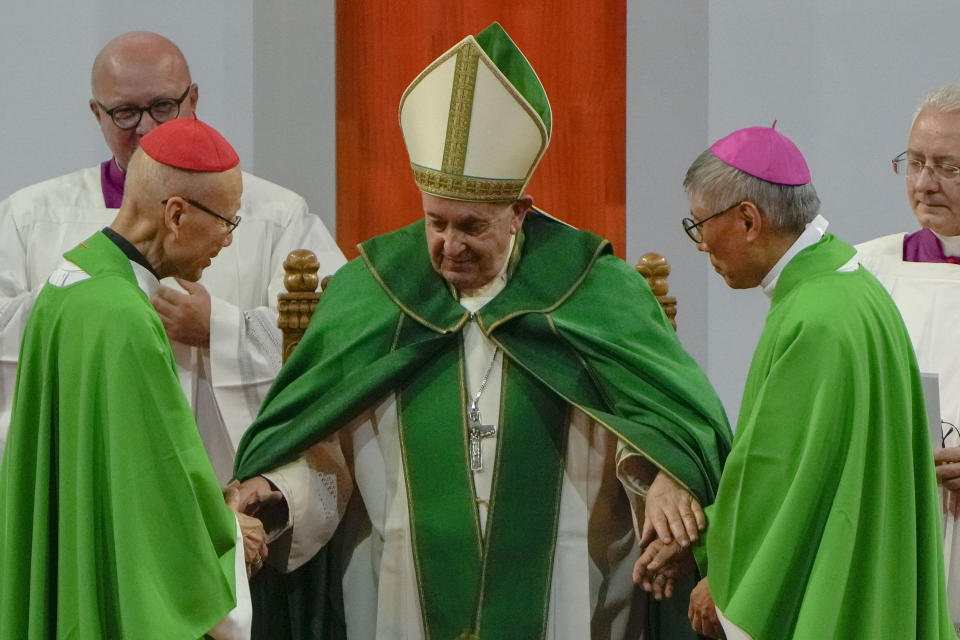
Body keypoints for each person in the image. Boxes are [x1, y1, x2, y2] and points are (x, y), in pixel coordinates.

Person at [229, 22, 732, 640]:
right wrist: (277, 492)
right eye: (435, 222)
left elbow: (656, 418)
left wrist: (659, 477)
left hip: (568, 593)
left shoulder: (596, 291)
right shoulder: (371, 292)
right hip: (398, 592)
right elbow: (320, 443)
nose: (448, 245)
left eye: (472, 226)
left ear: (520, 212)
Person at [639, 124, 952, 639]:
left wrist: (724, 575)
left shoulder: (815, 317)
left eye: (699, 226)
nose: (699, 245)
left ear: (747, 220)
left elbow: (782, 477)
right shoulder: (847, 284)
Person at [0, 31, 345, 479]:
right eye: (124, 112)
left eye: (163, 106)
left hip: (226, 485)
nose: (146, 127)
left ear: (193, 98)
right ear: (96, 114)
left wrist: (217, 330)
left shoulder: (275, 215)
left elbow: (334, 334)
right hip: (85, 477)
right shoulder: (30, 217)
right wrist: (89, 312)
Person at [0, 118, 267, 638]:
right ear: (176, 214)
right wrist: (230, 530)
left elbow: (117, 470)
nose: (228, 243)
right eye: (227, 223)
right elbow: (156, 488)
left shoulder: (71, 281)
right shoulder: (125, 318)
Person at [856, 84, 960, 632]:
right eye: (915, 163)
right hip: (892, 528)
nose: (924, 184)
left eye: (948, 168)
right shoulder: (865, 271)